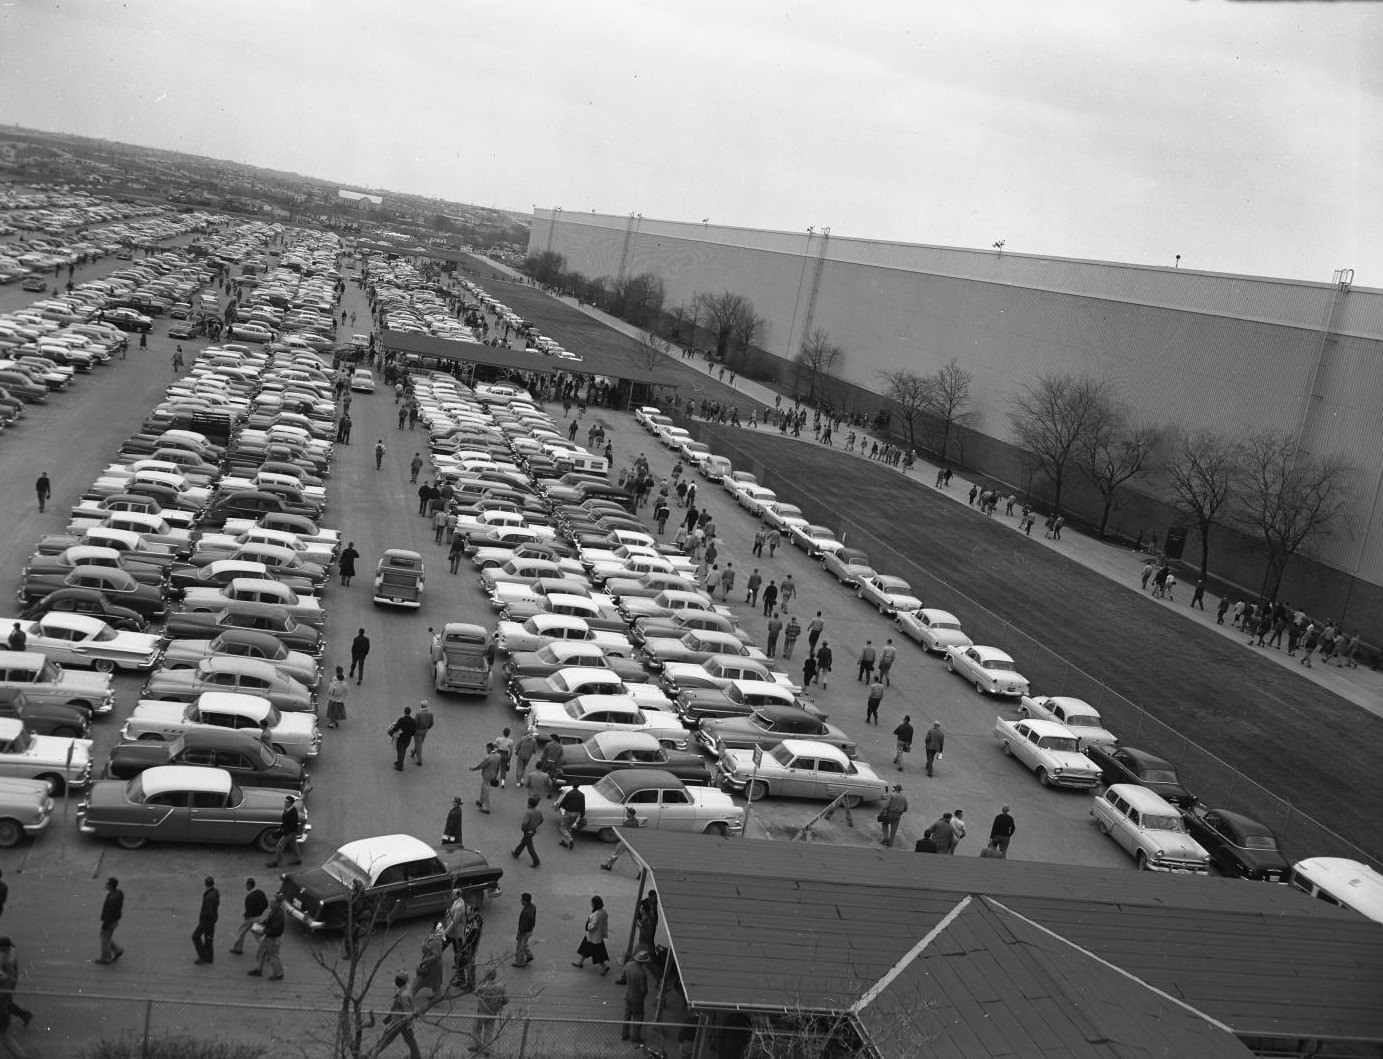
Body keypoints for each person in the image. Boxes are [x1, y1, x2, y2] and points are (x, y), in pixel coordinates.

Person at [380, 972, 422, 1059]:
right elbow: (397, 1005)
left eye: (396, 980)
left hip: (400, 1021)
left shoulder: (403, 994)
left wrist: (408, 1021)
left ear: (399, 982)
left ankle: (373, 1053)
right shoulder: (403, 990)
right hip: (400, 1020)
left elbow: (407, 1008)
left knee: (387, 1038)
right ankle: (416, 1056)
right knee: (410, 1040)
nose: (395, 981)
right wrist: (389, 1017)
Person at [248, 893, 286, 980]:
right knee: (261, 952)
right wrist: (264, 923)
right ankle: (258, 969)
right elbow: (269, 921)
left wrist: (263, 930)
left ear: (277, 904)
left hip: (273, 939)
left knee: (273, 956)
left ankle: (278, 974)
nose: (270, 904)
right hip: (269, 937)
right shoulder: (274, 911)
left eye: (272, 903)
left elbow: (275, 930)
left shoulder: (278, 915)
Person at [228, 878, 269, 956]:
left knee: (241, 932)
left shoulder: (250, 897)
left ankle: (238, 948)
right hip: (259, 917)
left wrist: (246, 916)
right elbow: (266, 904)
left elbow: (249, 910)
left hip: (250, 919)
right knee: (258, 935)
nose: (246, 887)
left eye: (246, 885)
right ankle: (267, 949)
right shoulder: (260, 893)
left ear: (249, 885)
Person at [470, 969, 507, 1053]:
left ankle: (476, 1045)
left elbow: (475, 993)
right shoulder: (501, 987)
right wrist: (499, 1005)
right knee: (489, 1031)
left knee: (476, 1029)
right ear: (495, 976)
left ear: (486, 976)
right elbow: (506, 1000)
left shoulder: (483, 987)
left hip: (482, 1012)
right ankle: (487, 1049)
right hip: (493, 1013)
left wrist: (482, 982)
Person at [600, 806, 646, 872]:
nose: (626, 814)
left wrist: (615, 832)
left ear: (630, 814)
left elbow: (622, 833)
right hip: (632, 842)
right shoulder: (635, 821)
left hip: (625, 842)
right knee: (634, 857)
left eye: (627, 812)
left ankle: (608, 866)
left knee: (615, 854)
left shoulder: (627, 823)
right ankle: (640, 872)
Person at [572, 896, 610, 974]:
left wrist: (588, 924)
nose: (591, 904)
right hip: (595, 936)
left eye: (592, 903)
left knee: (597, 954)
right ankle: (580, 962)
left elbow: (593, 926)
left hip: (594, 937)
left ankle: (604, 967)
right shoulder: (603, 912)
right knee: (585, 948)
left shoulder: (597, 914)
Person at [621, 950, 651, 1044]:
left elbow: (623, 976)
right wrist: (644, 995)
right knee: (638, 1017)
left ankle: (624, 1034)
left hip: (628, 994)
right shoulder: (642, 973)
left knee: (627, 1015)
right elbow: (643, 989)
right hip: (637, 998)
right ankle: (635, 1036)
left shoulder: (628, 964)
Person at [265, 795, 302, 867]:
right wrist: (281, 828)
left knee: (280, 845)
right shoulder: (287, 809)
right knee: (294, 845)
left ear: (290, 803)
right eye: (285, 801)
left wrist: (284, 831)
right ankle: (298, 859)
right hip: (291, 831)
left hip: (289, 832)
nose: (285, 803)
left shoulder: (292, 812)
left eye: (286, 802)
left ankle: (276, 861)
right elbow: (285, 821)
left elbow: (292, 824)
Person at [95, 877, 124, 965]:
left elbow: (109, 913)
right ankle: (117, 950)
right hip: (115, 920)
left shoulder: (112, 899)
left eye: (107, 884)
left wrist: (105, 924)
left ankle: (106, 958)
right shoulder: (119, 893)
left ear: (110, 886)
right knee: (107, 937)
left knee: (104, 937)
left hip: (110, 921)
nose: (106, 885)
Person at [192, 876, 219, 965]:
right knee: (209, 938)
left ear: (205, 884)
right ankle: (209, 957)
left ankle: (203, 956)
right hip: (213, 919)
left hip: (206, 921)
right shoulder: (215, 892)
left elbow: (207, 911)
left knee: (195, 936)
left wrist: (202, 919)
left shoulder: (208, 897)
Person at [511, 796, 544, 868]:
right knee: (523, 842)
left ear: (530, 805)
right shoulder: (539, 812)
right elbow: (541, 821)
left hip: (528, 831)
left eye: (528, 803)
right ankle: (516, 853)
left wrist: (523, 829)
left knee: (530, 847)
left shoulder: (528, 813)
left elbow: (524, 823)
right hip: (533, 831)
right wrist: (535, 825)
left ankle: (536, 861)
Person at [470, 742, 501, 812]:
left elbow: (481, 765)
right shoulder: (498, 756)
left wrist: (473, 768)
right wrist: (496, 775)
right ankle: (481, 801)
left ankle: (486, 807)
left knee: (485, 791)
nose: (486, 750)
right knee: (483, 788)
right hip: (493, 774)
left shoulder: (489, 757)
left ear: (489, 748)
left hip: (487, 775)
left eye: (487, 748)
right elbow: (498, 767)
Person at [556, 784, 585, 849]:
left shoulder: (570, 793)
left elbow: (564, 801)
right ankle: (564, 842)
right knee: (568, 828)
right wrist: (582, 815)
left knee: (563, 828)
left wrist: (559, 807)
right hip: (576, 813)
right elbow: (583, 805)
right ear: (578, 786)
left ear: (573, 786)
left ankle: (570, 840)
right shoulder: (582, 795)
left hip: (569, 813)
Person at [513, 893, 536, 967]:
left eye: (522, 900)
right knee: (524, 944)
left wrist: (519, 934)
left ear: (525, 901)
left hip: (524, 932)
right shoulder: (532, 907)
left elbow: (523, 925)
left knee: (520, 947)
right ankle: (529, 955)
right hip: (530, 930)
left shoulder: (526, 912)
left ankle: (520, 962)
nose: (520, 901)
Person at [410, 700, 434, 765]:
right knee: (419, 743)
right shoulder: (430, 713)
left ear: (421, 705)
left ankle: (419, 761)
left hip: (418, 731)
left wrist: (413, 730)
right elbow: (431, 723)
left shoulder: (418, 713)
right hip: (425, 731)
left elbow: (415, 723)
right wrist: (427, 728)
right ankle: (413, 752)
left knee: (418, 744)